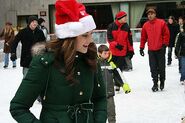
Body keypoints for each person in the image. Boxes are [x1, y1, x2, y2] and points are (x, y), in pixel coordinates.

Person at [10, 0, 107, 123]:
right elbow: (18, 107)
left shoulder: (90, 59)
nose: (90, 39)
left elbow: (100, 98)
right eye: (84, 35)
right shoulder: (45, 63)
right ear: (69, 37)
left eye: (91, 34)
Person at [97, 44, 131, 123]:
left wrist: (124, 85)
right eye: (105, 53)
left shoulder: (111, 64)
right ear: (99, 53)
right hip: (98, 95)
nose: (107, 55)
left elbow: (118, 75)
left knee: (111, 114)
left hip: (109, 94)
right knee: (99, 115)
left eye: (108, 53)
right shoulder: (95, 64)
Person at [139, 8, 170, 92]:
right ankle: (155, 83)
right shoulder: (145, 25)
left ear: (155, 14)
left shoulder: (161, 23)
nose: (150, 15)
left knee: (161, 67)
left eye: (152, 13)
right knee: (153, 67)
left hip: (160, 49)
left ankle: (162, 81)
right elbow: (143, 38)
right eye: (148, 14)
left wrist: (164, 44)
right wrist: (141, 48)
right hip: (151, 50)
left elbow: (166, 34)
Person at [107, 11, 134, 91]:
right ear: (119, 18)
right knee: (112, 68)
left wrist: (131, 50)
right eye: (124, 17)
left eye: (126, 16)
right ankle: (114, 83)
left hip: (122, 52)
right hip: (112, 52)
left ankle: (117, 84)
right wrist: (116, 45)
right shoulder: (111, 26)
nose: (126, 18)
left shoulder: (126, 26)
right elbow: (109, 38)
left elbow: (129, 40)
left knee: (119, 69)